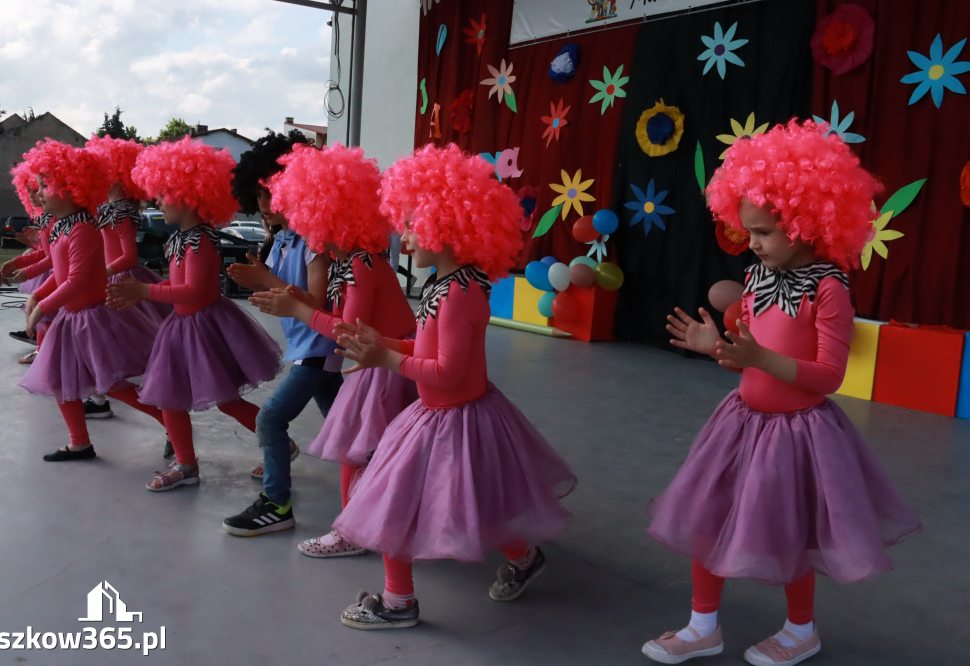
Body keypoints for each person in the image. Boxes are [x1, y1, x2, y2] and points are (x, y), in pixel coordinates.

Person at [643, 120, 922, 666]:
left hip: (797, 435)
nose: (752, 243)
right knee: (709, 517)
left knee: (792, 533)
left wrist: (760, 358)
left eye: (764, 232)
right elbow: (749, 361)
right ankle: (703, 625)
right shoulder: (756, 279)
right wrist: (718, 349)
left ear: (804, 225)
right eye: (747, 230)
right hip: (740, 422)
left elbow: (827, 377)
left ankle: (801, 631)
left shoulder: (829, 289)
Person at [327, 143, 577, 630]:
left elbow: (447, 373)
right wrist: (387, 340)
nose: (407, 237)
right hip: (435, 416)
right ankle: (508, 564)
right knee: (437, 503)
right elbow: (427, 347)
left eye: (416, 226)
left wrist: (385, 358)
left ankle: (405, 601)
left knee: (440, 506)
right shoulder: (445, 286)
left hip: (456, 419)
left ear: (452, 226)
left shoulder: (461, 294)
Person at [251, 143, 418, 556]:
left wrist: (295, 307)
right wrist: (293, 297)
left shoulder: (361, 264)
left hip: (385, 369)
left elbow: (348, 332)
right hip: (374, 366)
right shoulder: (350, 264)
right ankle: (357, 527)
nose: (301, 224)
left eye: (306, 213)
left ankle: (358, 530)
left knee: (366, 451)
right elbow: (335, 315)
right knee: (360, 452)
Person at [107, 137, 282, 492]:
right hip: (183, 328)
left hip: (203, 328)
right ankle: (186, 463)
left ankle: (279, 444)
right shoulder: (182, 238)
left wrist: (144, 290)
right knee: (169, 398)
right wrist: (150, 288)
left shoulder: (201, 240)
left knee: (227, 401)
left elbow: (197, 292)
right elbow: (183, 283)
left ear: (189, 195)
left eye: (164, 193)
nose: (156, 200)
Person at [221, 131, 343, 535]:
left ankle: (277, 504)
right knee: (348, 433)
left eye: (271, 194)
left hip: (318, 348)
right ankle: (386, 482)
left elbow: (317, 301)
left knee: (270, 421)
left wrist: (264, 277)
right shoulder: (281, 242)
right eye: (258, 197)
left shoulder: (314, 242)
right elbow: (280, 289)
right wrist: (257, 279)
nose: (264, 205)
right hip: (307, 349)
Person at [17, 140, 161, 462]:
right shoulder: (62, 228)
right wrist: (39, 294)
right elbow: (60, 272)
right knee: (59, 381)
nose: (38, 193)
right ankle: (79, 442)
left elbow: (77, 279)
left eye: (44, 186)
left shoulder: (83, 228)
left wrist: (42, 306)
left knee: (112, 385)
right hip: (72, 318)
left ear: (71, 188)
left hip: (90, 320)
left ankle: (169, 422)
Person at [82, 135, 173, 420]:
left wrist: (103, 272)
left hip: (121, 281)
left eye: (107, 172)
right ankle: (99, 397)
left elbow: (129, 257)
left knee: (121, 344)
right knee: (106, 344)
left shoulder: (120, 212)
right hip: (113, 277)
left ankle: (160, 404)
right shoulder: (109, 210)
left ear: (122, 177)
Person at [0, 159, 56, 363]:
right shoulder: (47, 218)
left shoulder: (55, 220)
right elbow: (45, 252)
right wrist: (17, 262)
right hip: (53, 273)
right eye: (30, 190)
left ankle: (44, 351)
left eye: (38, 189)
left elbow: (51, 257)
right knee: (46, 314)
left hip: (57, 275)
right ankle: (42, 350)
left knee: (47, 314)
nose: (34, 195)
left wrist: (27, 270)